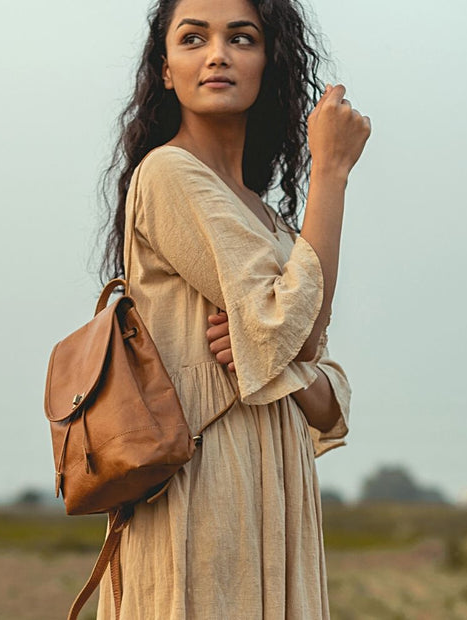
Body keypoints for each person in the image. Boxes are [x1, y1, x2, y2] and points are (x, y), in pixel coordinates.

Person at [97, 0, 371, 617]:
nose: (217, 53)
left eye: (241, 38)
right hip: (208, 478)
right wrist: (329, 171)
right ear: (166, 69)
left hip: (276, 479)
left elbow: (318, 378)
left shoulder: (266, 216)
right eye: (193, 38)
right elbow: (289, 329)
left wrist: (287, 368)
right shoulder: (169, 173)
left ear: (267, 62)